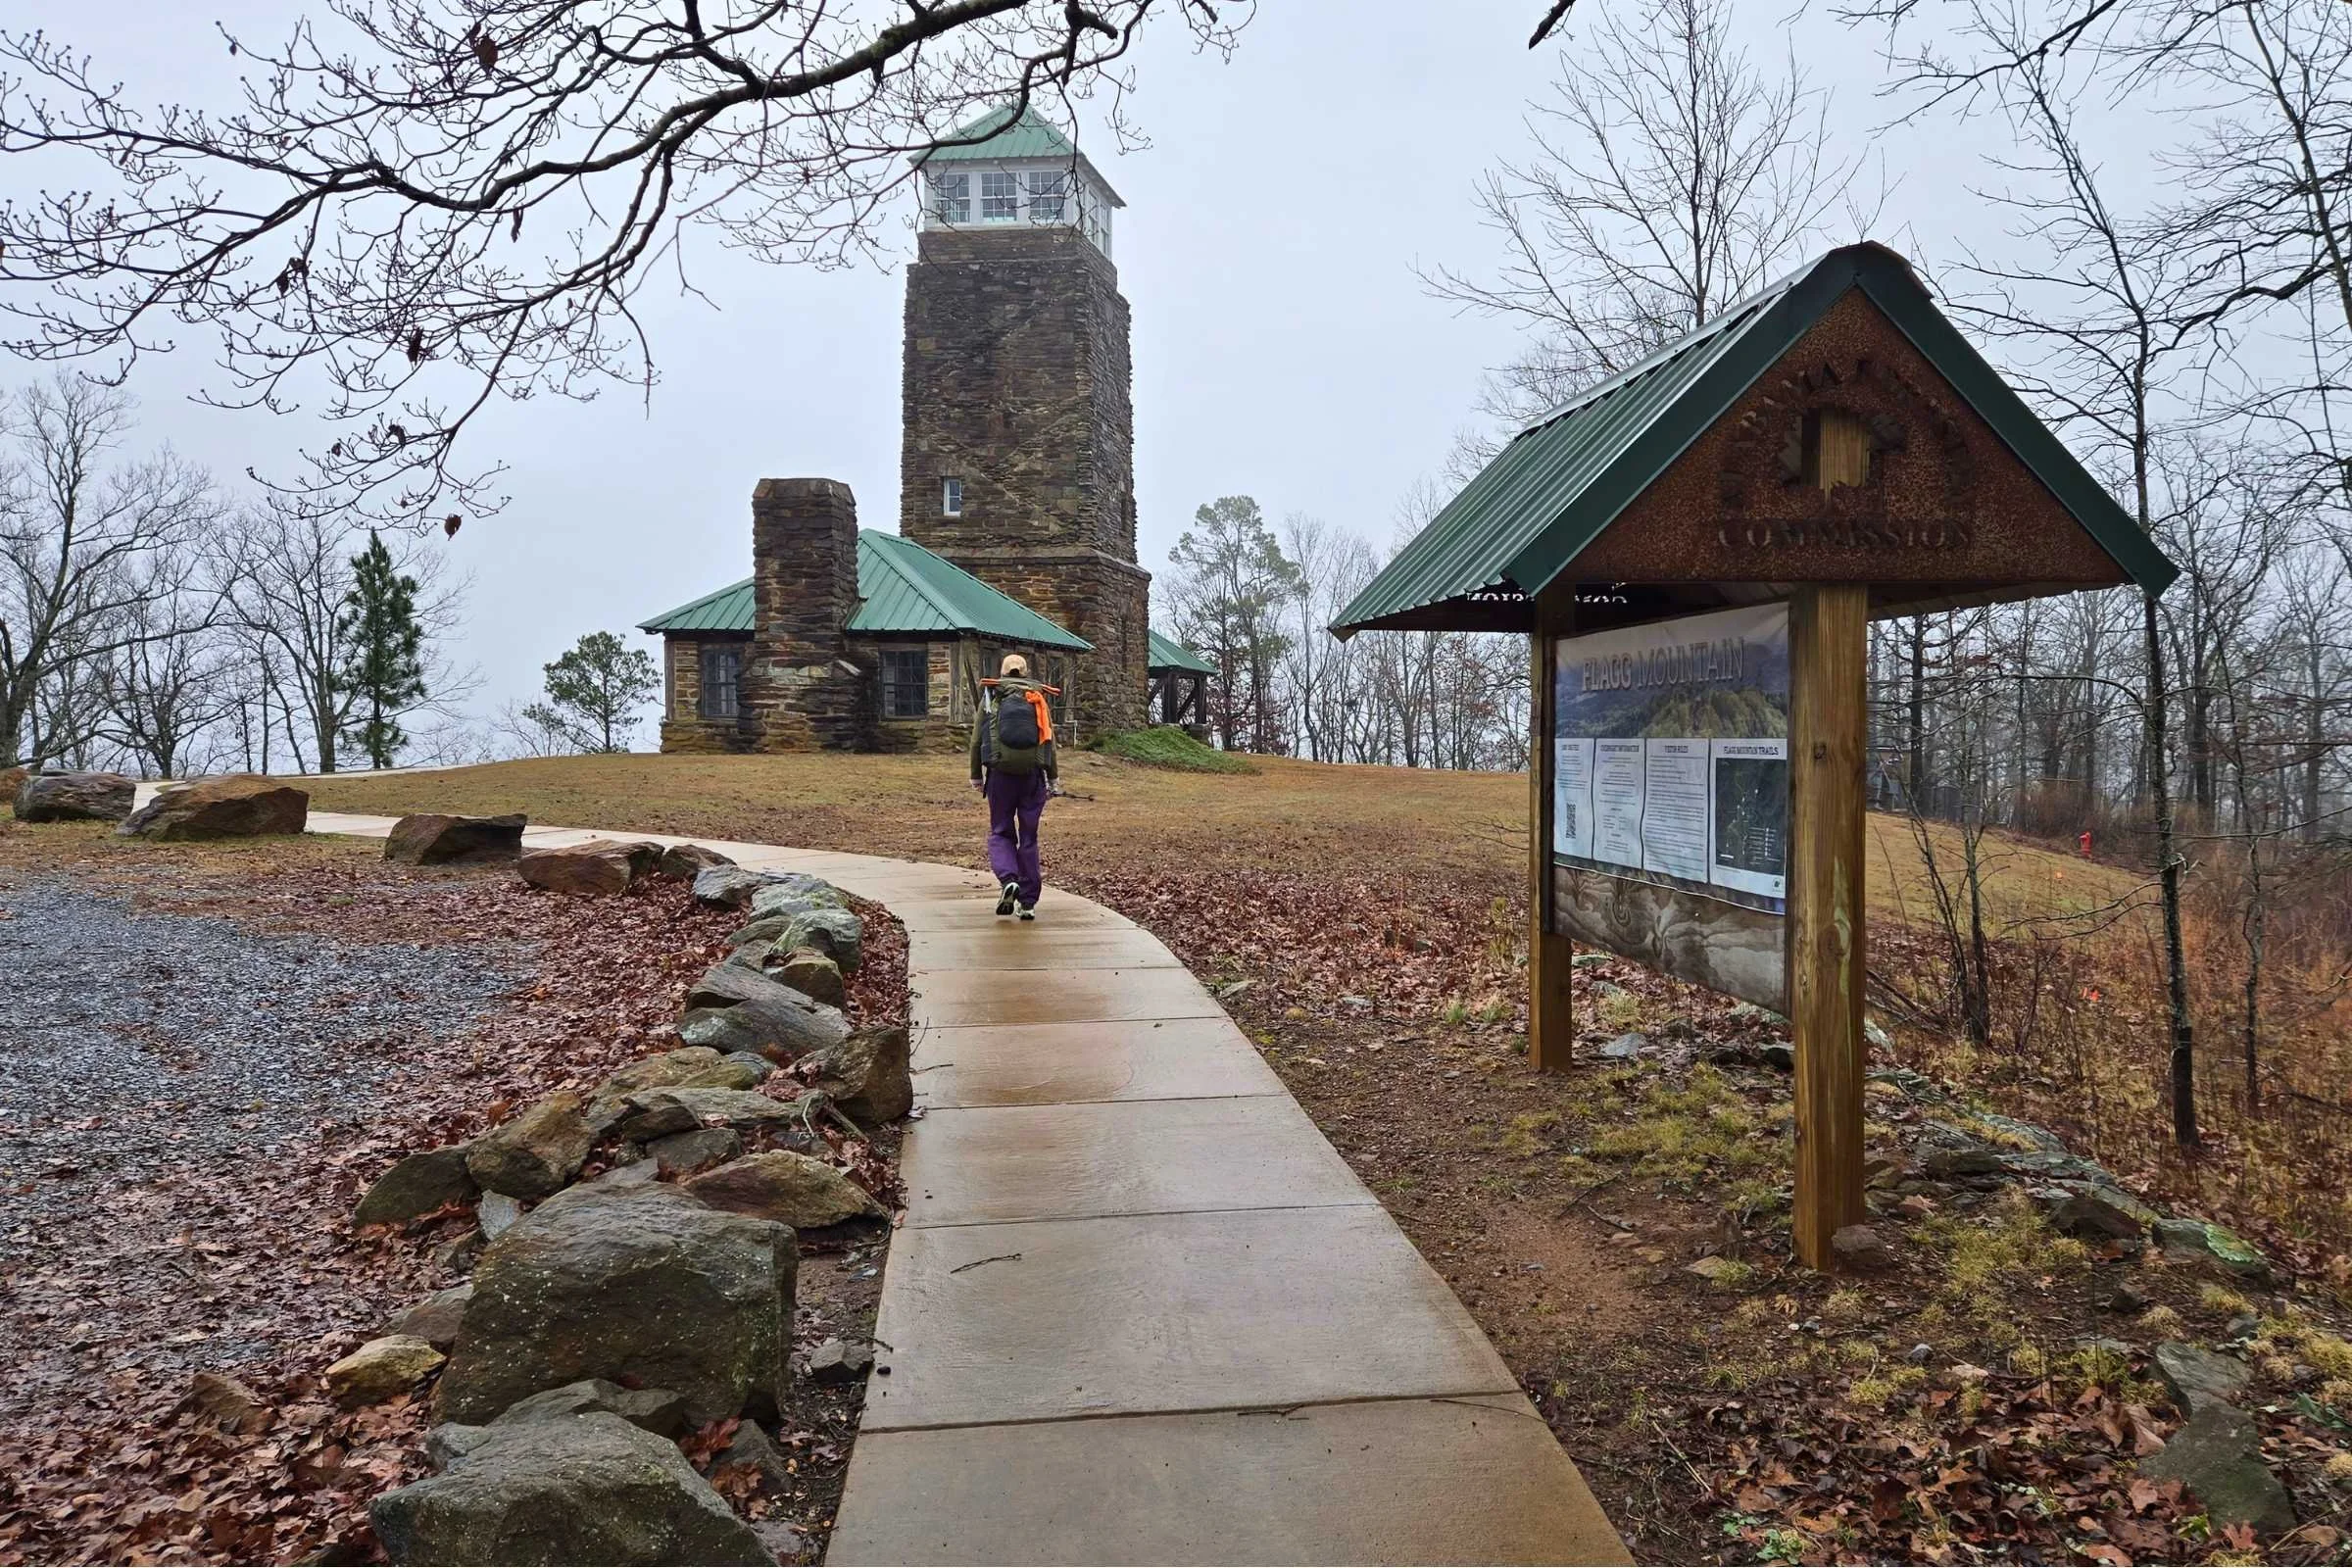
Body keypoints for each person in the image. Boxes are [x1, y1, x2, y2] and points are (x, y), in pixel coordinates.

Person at [970, 652, 1055, 919]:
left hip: (1000, 776)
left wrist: (976, 775)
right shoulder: (1037, 697)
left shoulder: (992, 697)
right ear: (1026, 672)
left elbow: (976, 741)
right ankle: (1028, 903)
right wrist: (1053, 778)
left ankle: (1009, 879)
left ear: (1003, 672)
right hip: (1032, 776)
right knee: (1029, 838)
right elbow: (1048, 740)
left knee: (1001, 831)